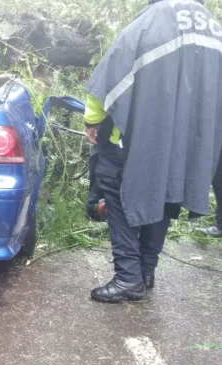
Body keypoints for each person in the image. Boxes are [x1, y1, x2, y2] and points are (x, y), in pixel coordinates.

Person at [84, 0, 222, 303]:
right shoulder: (213, 27)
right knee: (163, 195)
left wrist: (92, 121)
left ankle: (128, 277)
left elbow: (111, 77)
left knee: (115, 188)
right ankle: (146, 271)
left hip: (136, 139)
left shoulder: (153, 20)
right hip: (187, 143)